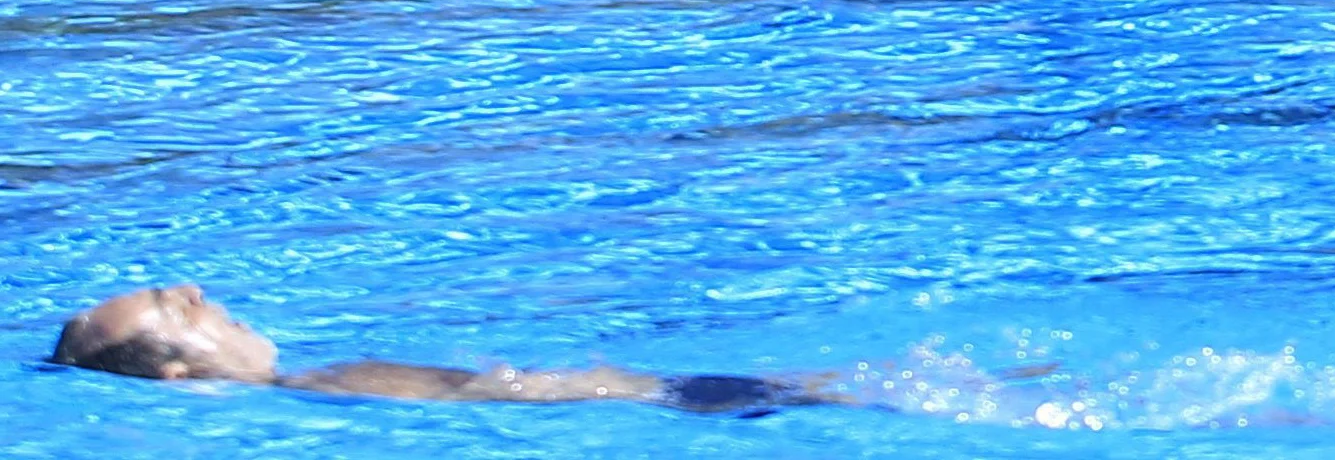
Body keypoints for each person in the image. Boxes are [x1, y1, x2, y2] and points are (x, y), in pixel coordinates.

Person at [50, 283, 840, 415]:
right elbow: (513, 396)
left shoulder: (323, 386)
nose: (193, 290)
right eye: (171, 306)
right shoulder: (336, 391)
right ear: (181, 377)